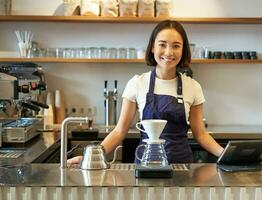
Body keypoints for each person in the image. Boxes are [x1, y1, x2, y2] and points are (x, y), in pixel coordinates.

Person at [68, 20, 224, 166]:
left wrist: (225, 155)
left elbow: (201, 135)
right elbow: (119, 131)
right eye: (162, 45)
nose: (168, 52)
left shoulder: (193, 86)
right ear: (152, 47)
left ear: (183, 50)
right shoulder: (137, 83)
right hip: (146, 165)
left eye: (176, 46)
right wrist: (90, 157)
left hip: (182, 166)